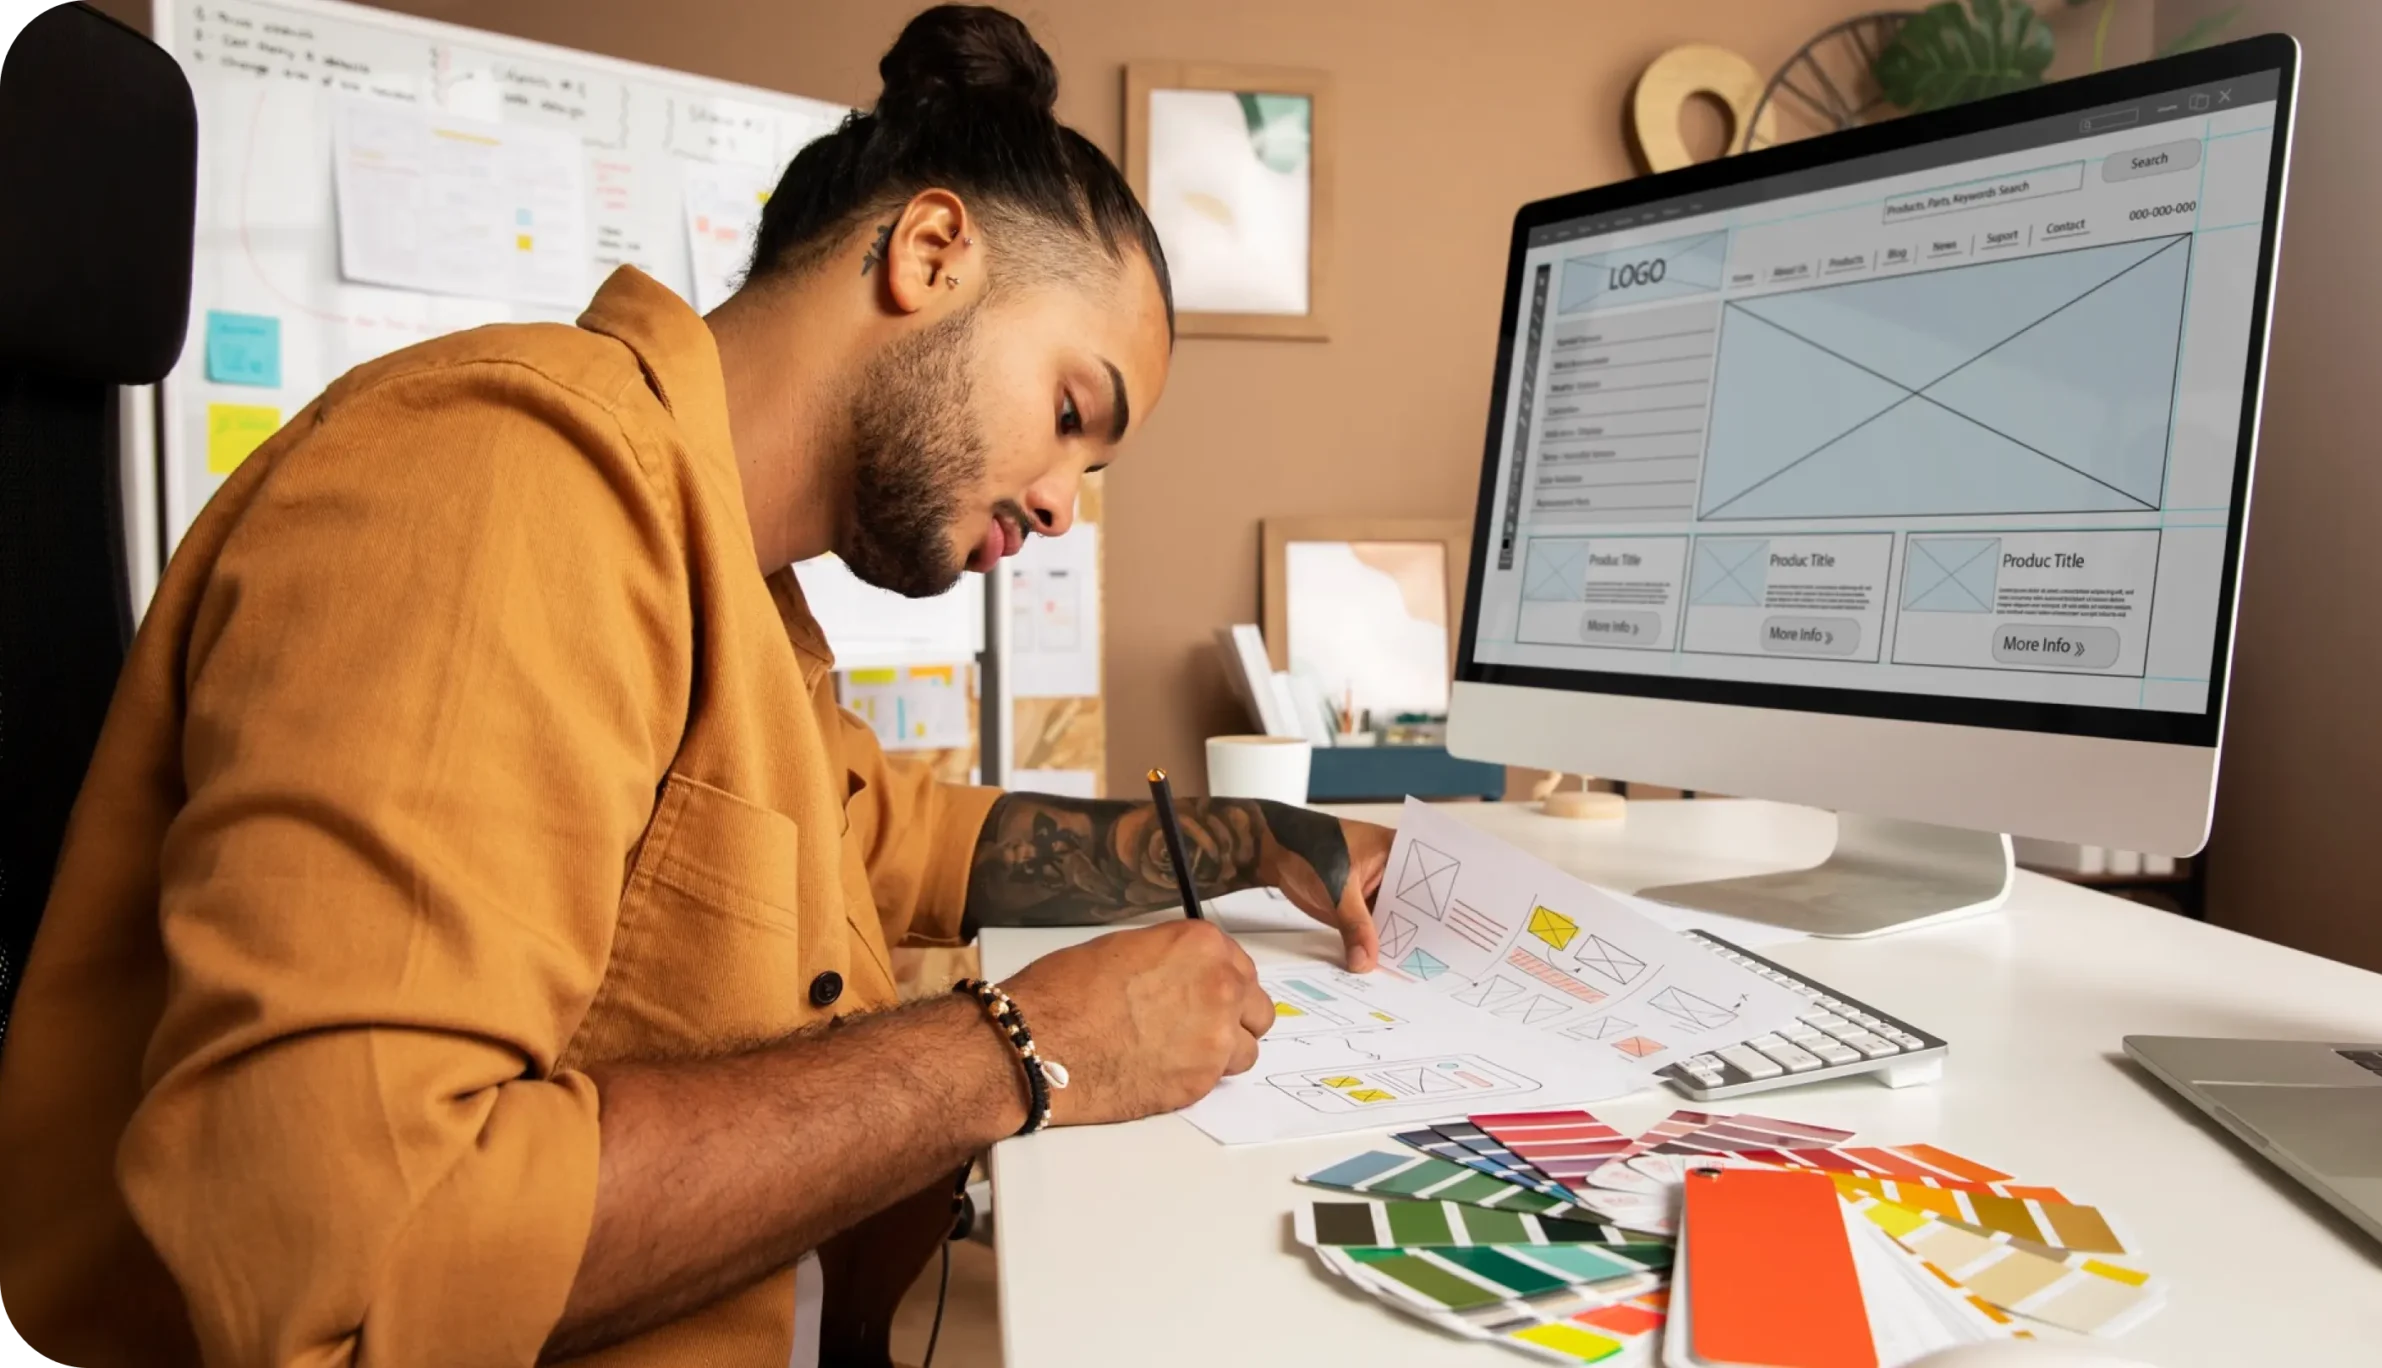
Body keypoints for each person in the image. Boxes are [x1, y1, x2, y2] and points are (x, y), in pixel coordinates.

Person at [0, 7, 1397, 1365]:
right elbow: (355, 1263)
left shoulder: (730, 584)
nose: (1059, 506)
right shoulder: (504, 485)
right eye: (1073, 415)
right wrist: (1024, 1048)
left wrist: (1259, 839)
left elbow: (910, 836)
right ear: (929, 251)